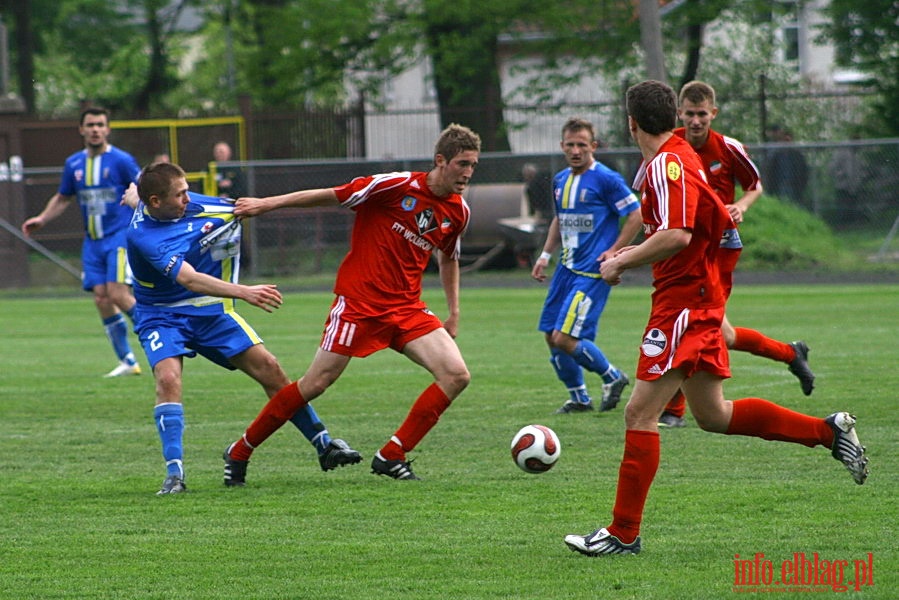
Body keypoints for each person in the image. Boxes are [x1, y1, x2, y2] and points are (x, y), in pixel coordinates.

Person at [563, 80, 868, 557]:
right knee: (713, 414)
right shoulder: (674, 157)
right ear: (674, 116)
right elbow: (667, 226)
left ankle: (623, 534)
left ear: (631, 123)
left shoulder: (667, 163)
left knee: (639, 413)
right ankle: (827, 431)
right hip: (692, 296)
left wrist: (623, 262)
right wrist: (624, 251)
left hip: (684, 302)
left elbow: (679, 235)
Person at [222, 123, 481, 483]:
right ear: (441, 160)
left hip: (406, 309)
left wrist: (454, 313)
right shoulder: (395, 186)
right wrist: (267, 205)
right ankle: (240, 451)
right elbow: (330, 194)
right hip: (359, 304)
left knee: (456, 375)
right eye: (462, 164)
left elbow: (449, 258)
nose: (468, 173)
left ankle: (392, 455)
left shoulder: (458, 212)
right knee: (315, 383)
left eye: (472, 166)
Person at [123, 162, 361, 495]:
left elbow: (143, 200)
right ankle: (174, 475)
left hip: (208, 312)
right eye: (179, 194)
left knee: (271, 368)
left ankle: (324, 445)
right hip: (161, 315)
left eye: (186, 189)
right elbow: (189, 279)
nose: (187, 198)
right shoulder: (142, 236)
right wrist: (245, 291)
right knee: (167, 378)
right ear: (156, 202)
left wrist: (133, 195)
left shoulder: (170, 204)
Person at [652, 81, 816, 428]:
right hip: (686, 248)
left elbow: (755, 186)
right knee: (717, 332)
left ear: (713, 113)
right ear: (679, 112)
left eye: (702, 114)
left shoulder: (728, 148)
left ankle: (674, 410)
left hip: (718, 250)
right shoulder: (671, 146)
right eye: (690, 114)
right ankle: (790, 352)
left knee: (692, 324)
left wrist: (740, 206)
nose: (696, 121)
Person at [531, 117, 642, 414]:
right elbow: (560, 219)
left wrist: (614, 251)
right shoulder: (560, 180)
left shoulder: (607, 179)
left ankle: (612, 376)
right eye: (571, 144)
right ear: (562, 146)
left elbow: (636, 213)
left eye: (582, 144)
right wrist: (545, 255)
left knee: (565, 338)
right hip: (565, 270)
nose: (576, 150)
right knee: (550, 335)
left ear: (593, 146)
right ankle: (579, 398)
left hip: (591, 273)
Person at [21, 107, 142, 378]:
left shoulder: (121, 161)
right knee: (101, 298)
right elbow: (63, 197)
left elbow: (141, 188)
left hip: (118, 236)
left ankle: (159, 337)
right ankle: (128, 360)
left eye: (100, 124)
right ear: (82, 129)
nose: (95, 129)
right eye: (90, 125)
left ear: (108, 129)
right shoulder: (74, 164)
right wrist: (41, 218)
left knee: (119, 295)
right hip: (93, 241)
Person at [764, 124, 808, 207]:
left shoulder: (797, 155)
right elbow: (770, 170)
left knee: (795, 205)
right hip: (780, 185)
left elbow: (803, 171)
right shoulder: (776, 154)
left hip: (794, 185)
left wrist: (801, 184)